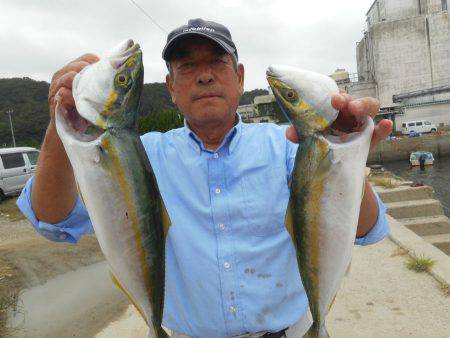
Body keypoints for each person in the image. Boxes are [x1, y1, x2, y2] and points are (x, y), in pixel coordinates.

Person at [17, 18, 393, 338]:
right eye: (186, 67)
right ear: (171, 88)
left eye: (217, 62)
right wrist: (59, 121)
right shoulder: (138, 156)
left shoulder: (290, 147)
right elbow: (52, 221)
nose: (204, 76)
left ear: (240, 77)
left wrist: (348, 149)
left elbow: (368, 229)